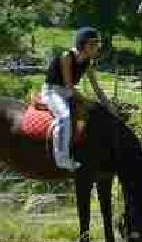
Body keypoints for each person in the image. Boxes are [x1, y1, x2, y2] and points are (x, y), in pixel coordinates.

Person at [42, 27, 115, 171]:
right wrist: (85, 100)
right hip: (53, 92)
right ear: (82, 44)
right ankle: (62, 158)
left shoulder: (87, 62)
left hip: (69, 92)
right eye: (92, 44)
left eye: (97, 43)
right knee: (64, 117)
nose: (96, 47)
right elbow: (69, 86)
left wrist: (108, 105)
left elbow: (97, 88)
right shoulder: (66, 57)